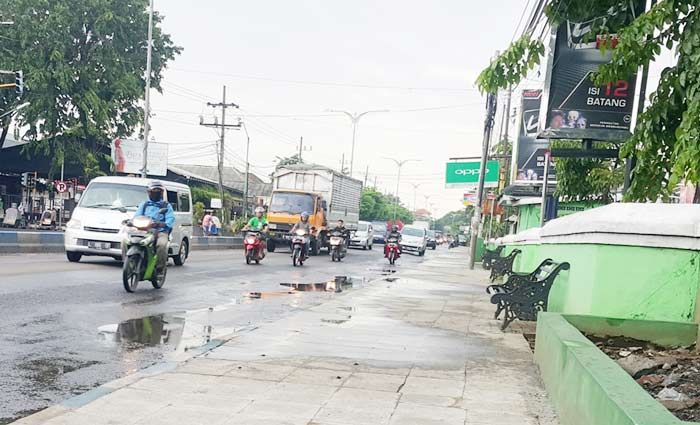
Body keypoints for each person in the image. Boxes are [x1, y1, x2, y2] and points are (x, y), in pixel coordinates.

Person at [134, 181, 175, 274]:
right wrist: (131, 222)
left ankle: (159, 268)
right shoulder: (144, 204)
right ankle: (129, 261)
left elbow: (171, 219)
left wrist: (163, 224)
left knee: (161, 244)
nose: (155, 193)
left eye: (158, 191)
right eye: (153, 191)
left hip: (160, 231)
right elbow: (137, 216)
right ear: (149, 192)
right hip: (143, 230)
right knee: (125, 240)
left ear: (161, 193)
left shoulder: (166, 206)